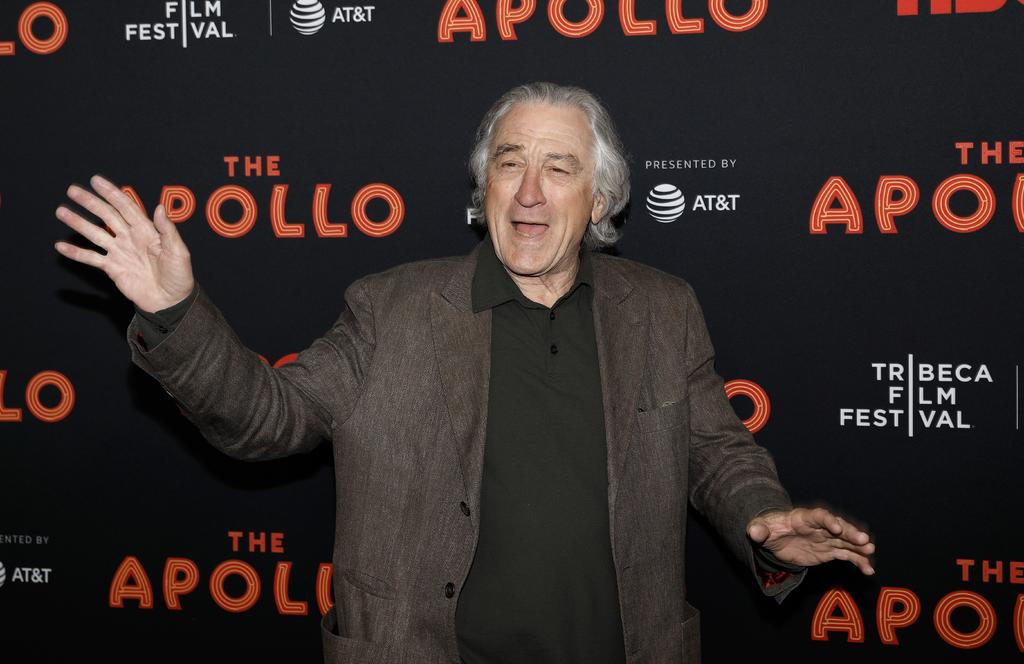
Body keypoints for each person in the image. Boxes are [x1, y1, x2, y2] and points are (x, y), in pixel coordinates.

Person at [54, 82, 875, 664]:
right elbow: (268, 419)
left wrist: (765, 518)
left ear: (599, 201)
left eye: (560, 168)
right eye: (510, 163)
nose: (530, 192)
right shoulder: (391, 308)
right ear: (485, 187)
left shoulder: (662, 309)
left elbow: (718, 452)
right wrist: (176, 312)